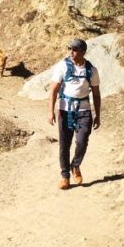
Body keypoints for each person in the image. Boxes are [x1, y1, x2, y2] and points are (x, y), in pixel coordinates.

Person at [48, 38, 101, 189]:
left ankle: (75, 165)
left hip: (84, 111)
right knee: (64, 145)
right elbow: (53, 89)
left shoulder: (91, 70)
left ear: (83, 52)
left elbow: (96, 94)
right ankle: (65, 176)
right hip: (65, 110)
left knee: (82, 142)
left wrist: (98, 115)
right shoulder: (62, 66)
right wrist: (50, 112)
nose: (71, 52)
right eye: (69, 49)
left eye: (75, 50)